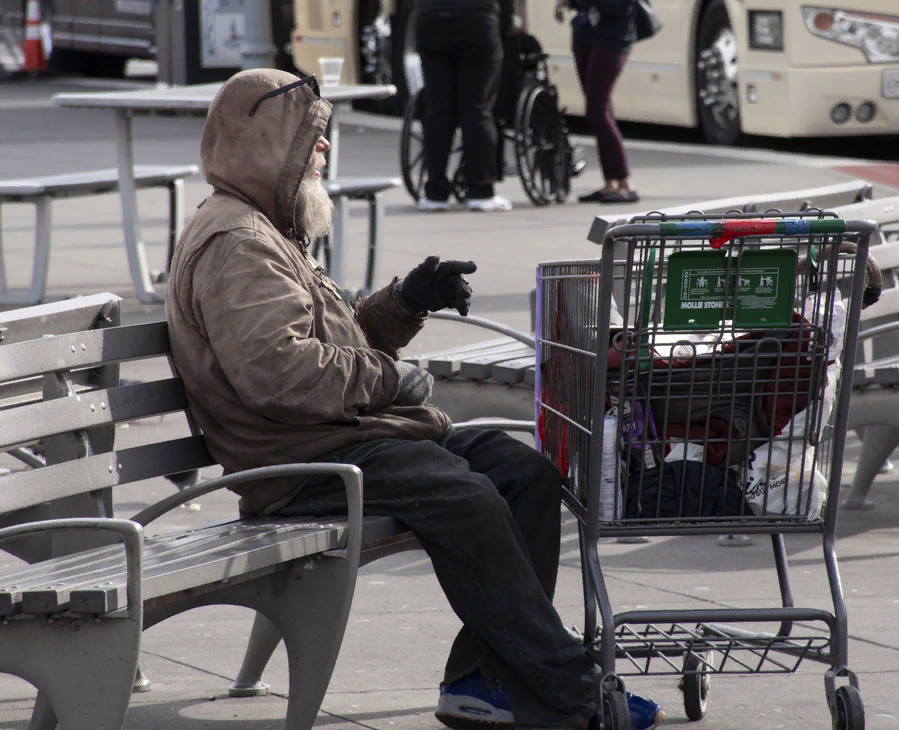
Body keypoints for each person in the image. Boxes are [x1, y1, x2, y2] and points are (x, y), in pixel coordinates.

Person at [167, 69, 664, 730]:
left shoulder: (266, 227)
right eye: (311, 137)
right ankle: (571, 692)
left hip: (337, 435)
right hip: (296, 462)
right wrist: (391, 380)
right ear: (266, 145)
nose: (323, 149)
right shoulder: (238, 243)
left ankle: (482, 681)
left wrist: (405, 303)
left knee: (522, 472)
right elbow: (280, 375)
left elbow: (326, 345)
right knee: (464, 495)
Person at [415, 0, 514, 212]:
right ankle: (480, 190)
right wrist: (505, 21)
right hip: (476, 20)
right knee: (476, 108)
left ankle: (435, 193)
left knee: (438, 109)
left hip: (430, 20)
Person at [556, 0, 639, 204]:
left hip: (612, 37)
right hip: (585, 33)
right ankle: (611, 182)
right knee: (600, 109)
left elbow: (621, 7)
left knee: (597, 110)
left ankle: (626, 181)